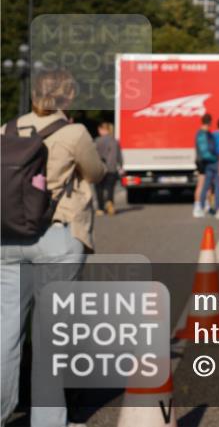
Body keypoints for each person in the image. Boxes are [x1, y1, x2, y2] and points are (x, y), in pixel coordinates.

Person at [1, 69, 106, 427]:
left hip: (8, 238)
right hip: (56, 236)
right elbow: (94, 172)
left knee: (5, 332)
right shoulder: (74, 132)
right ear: (68, 97)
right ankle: (47, 421)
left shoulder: (7, 129)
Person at [94, 121, 122, 216]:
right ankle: (110, 202)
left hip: (100, 168)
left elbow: (94, 154)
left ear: (103, 130)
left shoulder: (98, 141)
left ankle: (100, 208)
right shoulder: (115, 141)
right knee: (110, 188)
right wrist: (121, 166)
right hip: (112, 168)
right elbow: (119, 156)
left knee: (99, 189)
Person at [194, 113, 218, 218]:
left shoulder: (204, 133)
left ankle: (205, 205)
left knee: (207, 186)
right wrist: (215, 159)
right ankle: (197, 207)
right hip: (203, 162)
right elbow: (205, 152)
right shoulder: (202, 134)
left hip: (205, 161)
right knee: (201, 185)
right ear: (209, 122)